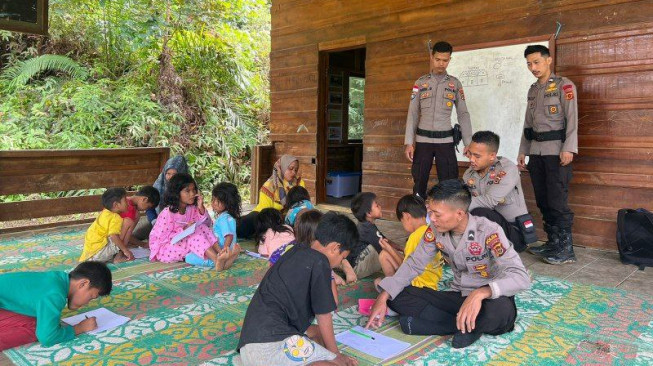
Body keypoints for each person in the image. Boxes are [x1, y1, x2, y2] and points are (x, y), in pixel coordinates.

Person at [366, 180, 530, 349]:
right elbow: (414, 264)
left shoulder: (489, 231)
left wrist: (480, 293)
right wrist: (383, 296)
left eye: (437, 214)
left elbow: (521, 276)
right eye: (430, 213)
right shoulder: (435, 231)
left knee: (501, 314)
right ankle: (465, 325)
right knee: (397, 295)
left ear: (459, 213)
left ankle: (445, 325)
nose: (432, 220)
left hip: (490, 300)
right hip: (458, 297)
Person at [236, 212, 359, 366]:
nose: (339, 262)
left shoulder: (296, 249)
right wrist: (335, 355)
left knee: (318, 333)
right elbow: (323, 315)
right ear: (335, 248)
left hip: (250, 346)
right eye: (342, 258)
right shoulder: (320, 262)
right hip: (268, 350)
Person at [517, 45, 578, 264]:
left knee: (557, 201)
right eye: (529, 64)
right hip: (536, 152)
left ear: (548, 60)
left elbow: (572, 120)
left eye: (536, 62)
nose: (532, 67)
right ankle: (553, 242)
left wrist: (569, 148)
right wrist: (523, 151)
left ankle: (566, 249)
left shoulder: (564, 86)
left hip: (556, 152)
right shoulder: (533, 90)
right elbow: (527, 125)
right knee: (543, 200)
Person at [405, 41, 473, 198]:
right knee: (419, 182)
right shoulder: (420, 83)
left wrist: (468, 142)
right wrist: (409, 142)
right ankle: (419, 218)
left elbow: (463, 113)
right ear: (431, 57)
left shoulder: (455, 84)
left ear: (450, 59)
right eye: (438, 59)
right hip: (423, 142)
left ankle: (447, 220)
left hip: (446, 142)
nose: (441, 63)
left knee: (449, 184)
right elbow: (413, 113)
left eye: (445, 60)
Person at [0, 261, 112, 350]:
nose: (87, 302)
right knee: (38, 329)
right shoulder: (55, 293)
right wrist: (80, 328)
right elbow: (47, 337)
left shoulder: (58, 279)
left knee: (40, 321)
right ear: (83, 284)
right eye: (91, 297)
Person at [463, 131, 533, 252]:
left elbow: (489, 201)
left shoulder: (507, 169)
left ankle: (472, 249)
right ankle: (468, 248)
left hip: (514, 233)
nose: (472, 159)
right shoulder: (469, 174)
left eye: (477, 156)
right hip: (488, 229)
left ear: (492, 156)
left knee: (477, 211)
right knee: (462, 212)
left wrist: (454, 207)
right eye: (470, 154)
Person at [148, 173, 229, 271]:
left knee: (201, 228)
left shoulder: (192, 208)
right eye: (187, 191)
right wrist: (184, 230)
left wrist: (201, 207)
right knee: (193, 234)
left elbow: (208, 224)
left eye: (194, 189)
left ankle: (221, 254)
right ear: (176, 193)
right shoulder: (167, 213)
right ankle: (217, 261)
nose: (192, 193)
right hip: (165, 249)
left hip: (185, 243)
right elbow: (161, 239)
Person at [373, 194, 443, 292]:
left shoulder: (415, 236)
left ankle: (394, 291)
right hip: (432, 285)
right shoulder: (430, 231)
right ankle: (394, 286)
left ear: (407, 217)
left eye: (402, 221)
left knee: (378, 281)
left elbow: (407, 269)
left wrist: (389, 248)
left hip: (416, 287)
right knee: (384, 255)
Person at [237, 155, 305, 239]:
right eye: (290, 169)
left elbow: (303, 203)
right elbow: (265, 213)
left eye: (296, 170)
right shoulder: (269, 186)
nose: (294, 172)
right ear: (282, 168)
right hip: (266, 216)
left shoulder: (299, 183)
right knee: (244, 225)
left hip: (289, 217)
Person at [184, 182, 241, 270]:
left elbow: (229, 235)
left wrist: (224, 250)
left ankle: (218, 262)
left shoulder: (224, 218)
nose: (213, 203)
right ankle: (227, 260)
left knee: (189, 257)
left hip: (222, 250)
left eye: (217, 201)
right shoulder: (228, 217)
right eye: (213, 199)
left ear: (228, 202)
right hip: (226, 250)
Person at [132, 155, 189, 241]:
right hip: (159, 222)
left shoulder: (189, 187)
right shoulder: (159, 185)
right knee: (136, 235)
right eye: (168, 174)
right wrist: (154, 221)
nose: (171, 177)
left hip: (182, 224)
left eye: (174, 174)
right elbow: (150, 207)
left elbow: (192, 210)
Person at [348, 192, 404, 279]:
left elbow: (386, 240)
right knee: (386, 252)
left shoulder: (366, 224)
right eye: (377, 206)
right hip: (357, 269)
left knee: (390, 249)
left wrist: (402, 249)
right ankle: (397, 279)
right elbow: (386, 245)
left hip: (357, 264)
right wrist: (402, 251)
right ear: (369, 213)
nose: (380, 207)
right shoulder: (368, 229)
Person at [79, 188, 134, 263]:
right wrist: (125, 250)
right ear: (116, 204)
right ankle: (119, 257)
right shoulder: (115, 217)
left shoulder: (105, 213)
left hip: (90, 254)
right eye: (125, 201)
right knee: (129, 222)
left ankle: (115, 254)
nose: (128, 203)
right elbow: (113, 235)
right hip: (100, 253)